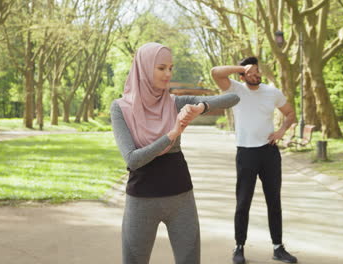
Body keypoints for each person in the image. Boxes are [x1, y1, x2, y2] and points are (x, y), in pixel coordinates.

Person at [111, 42, 239, 264]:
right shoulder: (120, 108)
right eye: (161, 68)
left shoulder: (174, 102)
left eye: (171, 68)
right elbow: (133, 159)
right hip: (141, 201)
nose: (168, 74)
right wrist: (172, 134)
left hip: (181, 199)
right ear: (144, 67)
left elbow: (234, 98)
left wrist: (201, 108)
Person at [211, 56, 298, 264]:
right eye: (251, 72)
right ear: (242, 74)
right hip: (246, 154)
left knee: (274, 201)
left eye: (257, 70)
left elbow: (290, 113)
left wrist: (281, 131)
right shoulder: (235, 89)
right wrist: (242, 68)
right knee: (243, 202)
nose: (256, 74)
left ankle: (278, 247)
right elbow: (215, 72)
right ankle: (239, 247)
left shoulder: (272, 92)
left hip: (269, 153)